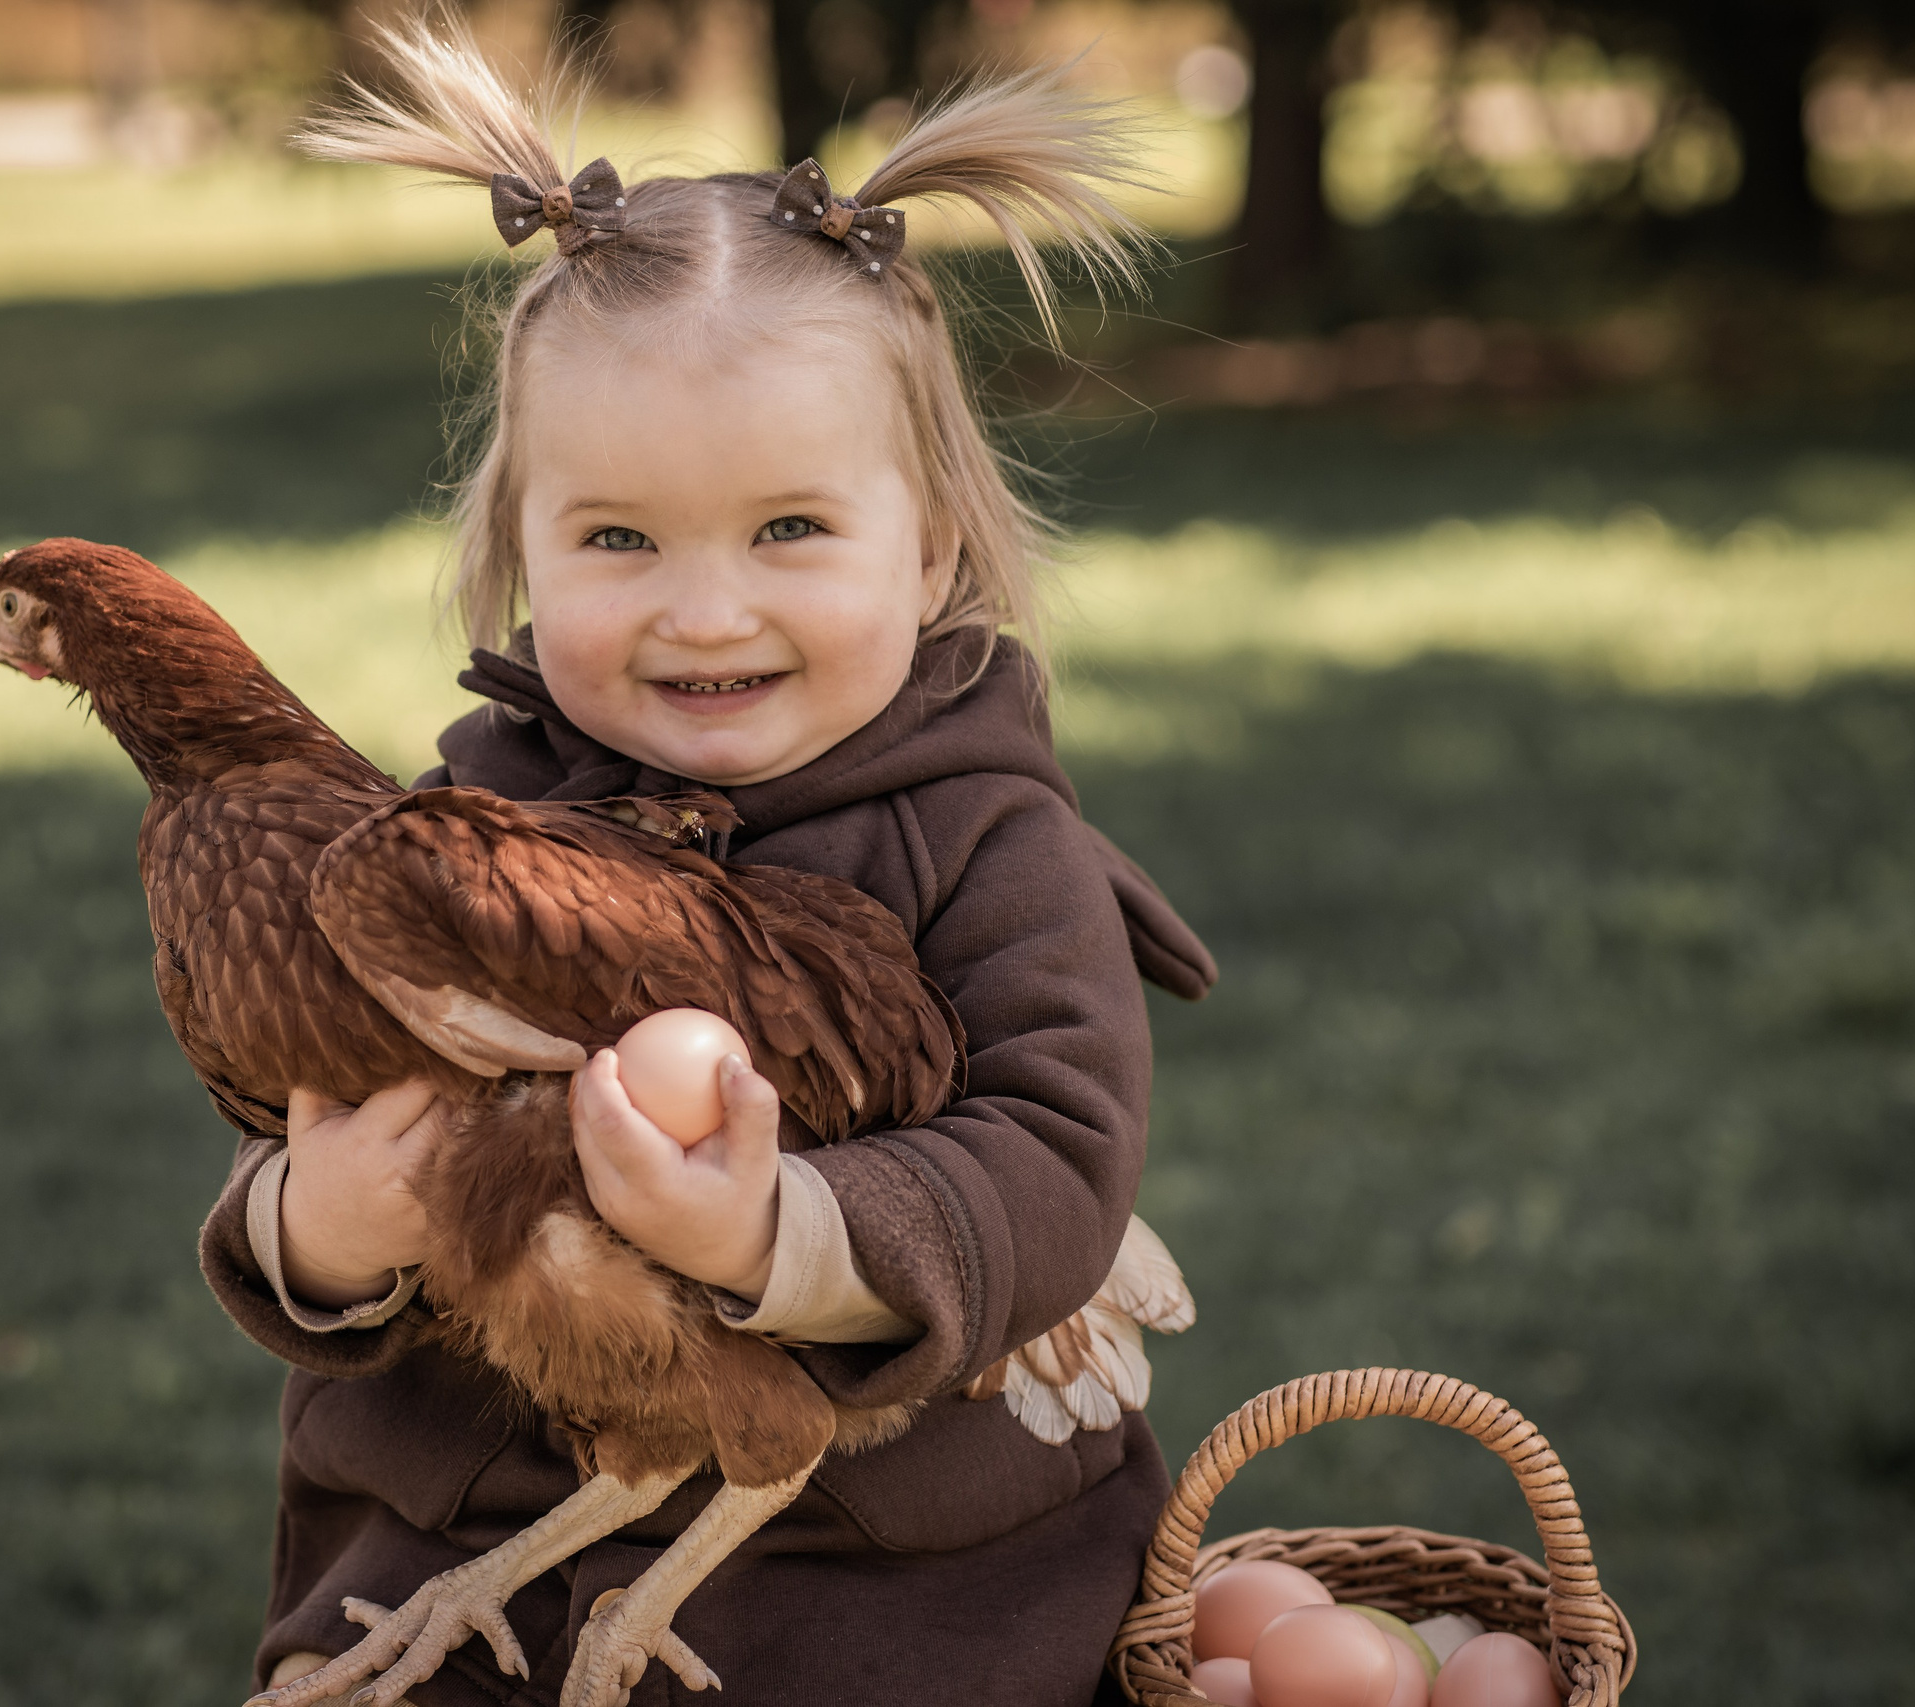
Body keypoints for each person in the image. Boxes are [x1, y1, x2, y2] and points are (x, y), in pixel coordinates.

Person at [196, 18, 1217, 1706]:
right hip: (464, 1576)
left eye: (791, 531)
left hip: (890, 1611)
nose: (705, 609)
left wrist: (783, 1233)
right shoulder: (460, 827)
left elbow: (1057, 1154)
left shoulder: (989, 842)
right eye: (616, 540)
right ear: (517, 544)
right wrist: (313, 1223)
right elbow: (301, 1098)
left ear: (934, 542)